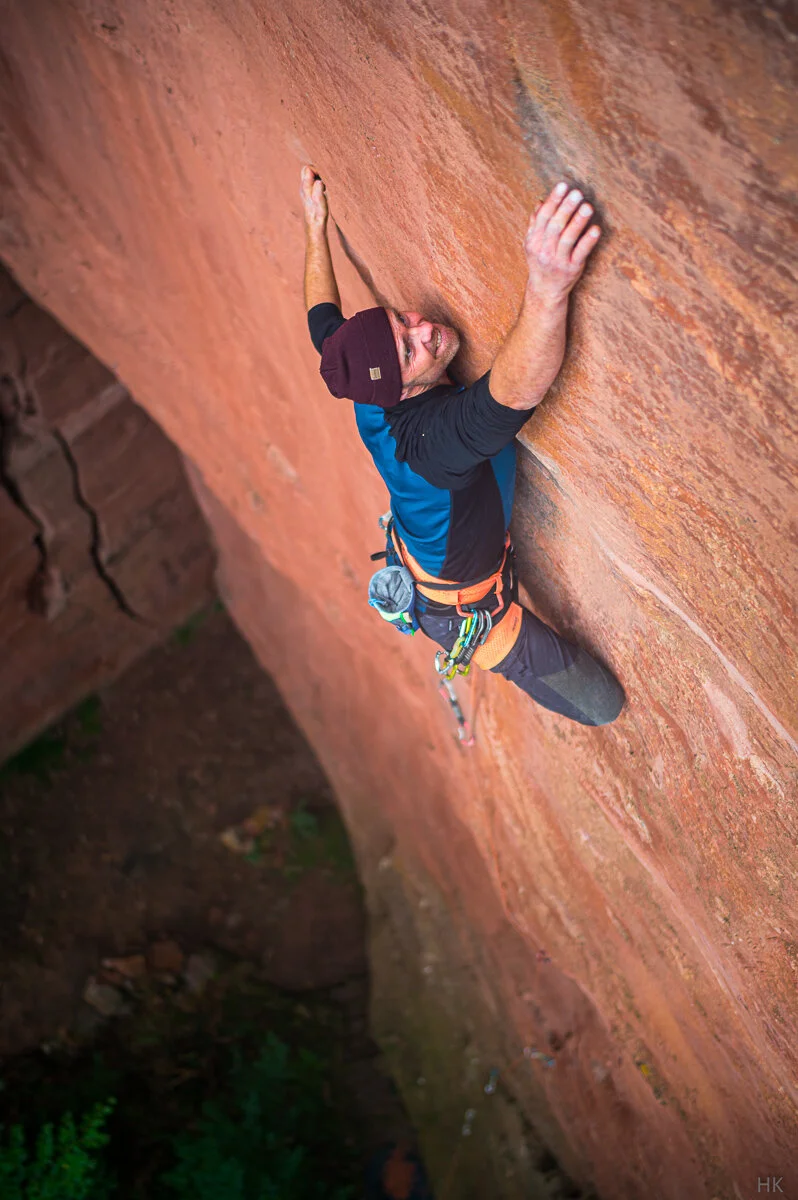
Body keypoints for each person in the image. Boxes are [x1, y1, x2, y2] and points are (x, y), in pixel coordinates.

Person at [300, 165, 624, 726]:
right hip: (464, 610)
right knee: (601, 705)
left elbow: (321, 322)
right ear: (400, 392)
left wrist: (314, 229)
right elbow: (514, 392)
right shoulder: (430, 447)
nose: (424, 329)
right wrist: (548, 288)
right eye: (411, 351)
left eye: (401, 322)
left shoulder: (355, 367)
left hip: (422, 546)